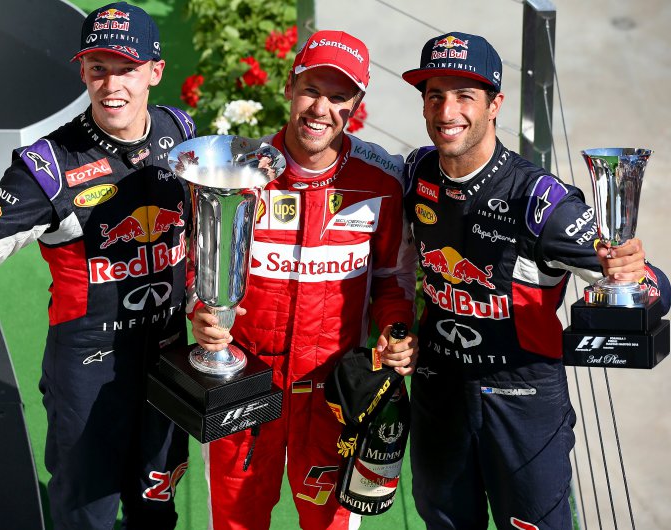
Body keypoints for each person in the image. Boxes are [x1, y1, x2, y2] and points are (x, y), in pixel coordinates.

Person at [0, 3, 196, 528]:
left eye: (127, 69)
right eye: (99, 68)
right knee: (86, 511)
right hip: (88, 364)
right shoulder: (47, 164)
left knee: (158, 502)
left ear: (155, 72)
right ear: (83, 72)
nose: (112, 85)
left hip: (167, 354)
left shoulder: (179, 129)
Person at [399, 31, 671, 529]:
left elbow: (656, 287)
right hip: (439, 388)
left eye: (465, 96)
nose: (447, 111)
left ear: (495, 105)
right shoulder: (417, 172)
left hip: (522, 399)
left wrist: (632, 270)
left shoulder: (541, 200)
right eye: (435, 96)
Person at [189, 30, 419, 529]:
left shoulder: (382, 179)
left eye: (338, 97)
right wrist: (201, 310)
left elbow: (393, 279)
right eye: (311, 90)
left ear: (356, 104)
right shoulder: (236, 170)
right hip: (245, 385)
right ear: (289, 88)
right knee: (235, 521)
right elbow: (196, 266)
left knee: (331, 523)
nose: (321, 109)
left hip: (335, 393)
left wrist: (396, 328)